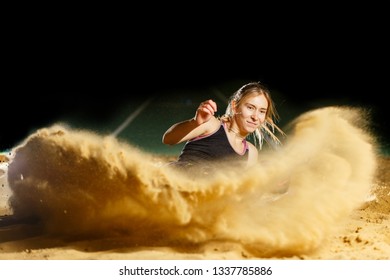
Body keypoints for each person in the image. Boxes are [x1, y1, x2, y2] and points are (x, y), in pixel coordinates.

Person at [162, 81, 285, 174]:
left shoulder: (251, 153)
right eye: (250, 107)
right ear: (234, 107)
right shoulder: (212, 125)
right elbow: (168, 139)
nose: (255, 117)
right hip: (178, 184)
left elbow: (243, 191)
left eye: (262, 111)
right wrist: (194, 122)